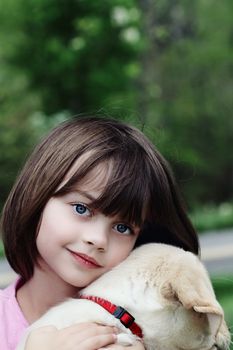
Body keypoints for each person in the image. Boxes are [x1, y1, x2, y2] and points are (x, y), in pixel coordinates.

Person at [0, 117, 199, 350]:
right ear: (37, 195)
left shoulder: (147, 335)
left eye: (122, 227)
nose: (98, 239)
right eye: (81, 209)